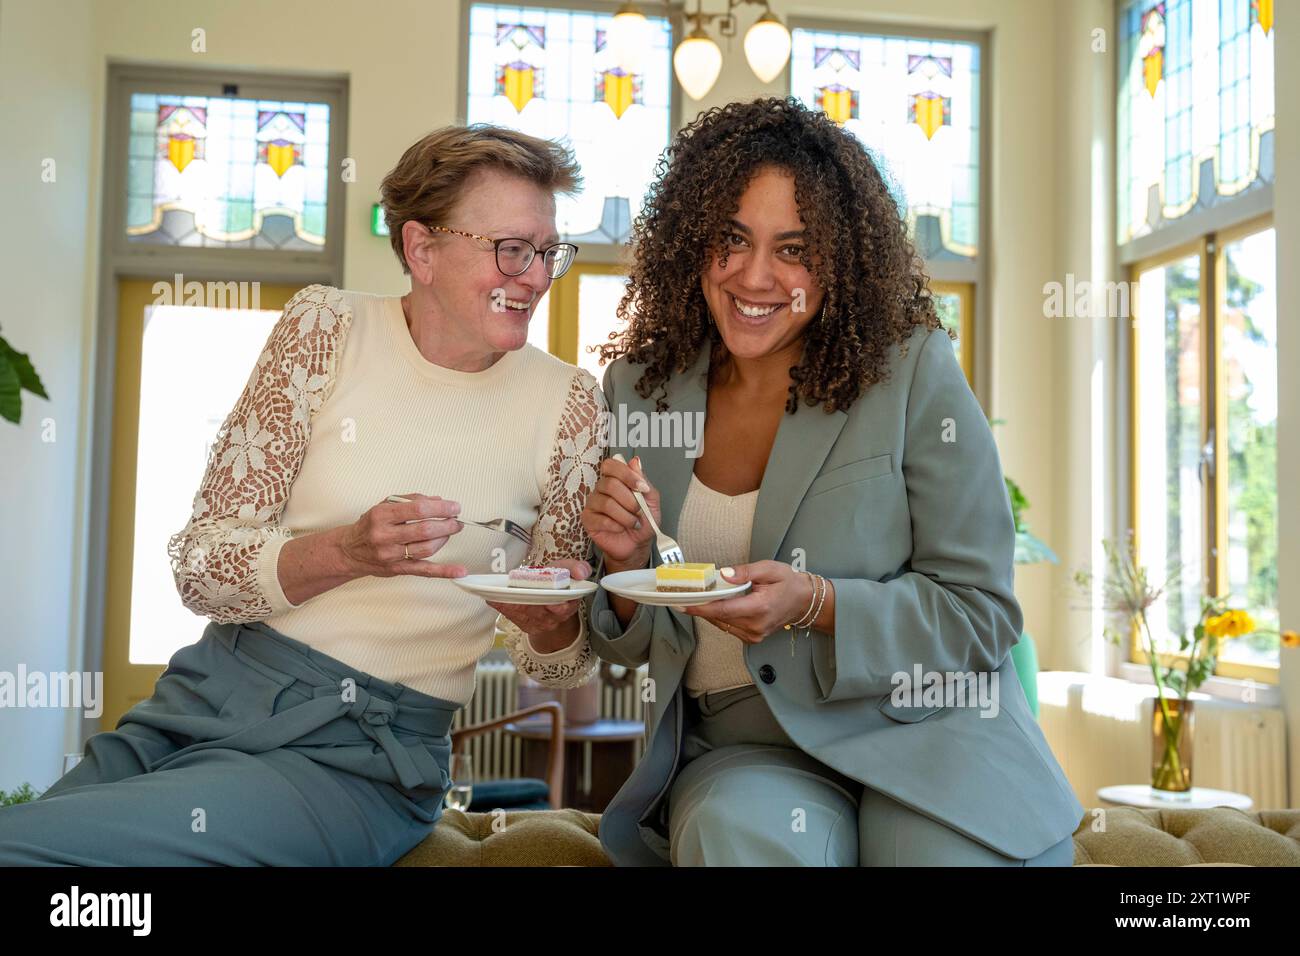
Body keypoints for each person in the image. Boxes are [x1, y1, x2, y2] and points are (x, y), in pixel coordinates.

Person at [0, 124, 604, 866]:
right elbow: (201, 566)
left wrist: (547, 627)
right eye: (511, 249)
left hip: (358, 761)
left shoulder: (568, 402)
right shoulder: (325, 328)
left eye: (548, 252)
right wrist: (347, 550)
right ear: (421, 248)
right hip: (209, 695)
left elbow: (561, 668)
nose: (537, 276)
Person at [580, 98, 1084, 866]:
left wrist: (818, 605)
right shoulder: (638, 391)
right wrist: (622, 566)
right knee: (737, 832)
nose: (755, 277)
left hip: (928, 726)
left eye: (794, 248)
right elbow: (643, 643)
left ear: (841, 258)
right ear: (692, 242)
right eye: (732, 240)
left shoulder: (909, 370)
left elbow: (981, 611)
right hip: (745, 744)